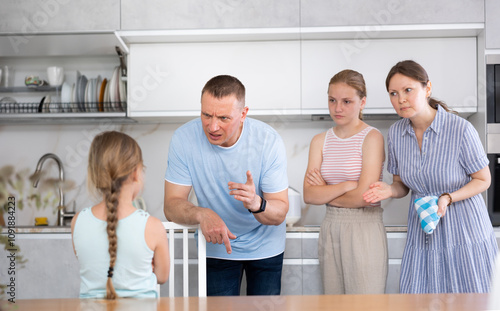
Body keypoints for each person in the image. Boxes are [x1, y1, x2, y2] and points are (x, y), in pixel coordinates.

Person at [363, 60, 498, 293]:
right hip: (424, 230)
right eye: (393, 94)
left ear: (427, 88)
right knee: (418, 298)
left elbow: (483, 180)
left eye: (408, 90)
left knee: (469, 298)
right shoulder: (396, 134)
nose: (400, 99)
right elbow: (401, 185)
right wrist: (389, 190)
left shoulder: (460, 129)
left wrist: (447, 197)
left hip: (464, 229)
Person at [164, 75, 289, 296]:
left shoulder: (268, 141)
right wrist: (201, 214)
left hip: (265, 246)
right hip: (217, 244)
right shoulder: (183, 139)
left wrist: (256, 203)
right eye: (206, 115)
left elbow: (279, 213)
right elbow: (171, 205)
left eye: (223, 117)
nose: (212, 126)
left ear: (243, 114)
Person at [303, 69, 388, 295]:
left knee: (366, 305)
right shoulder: (320, 141)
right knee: (334, 305)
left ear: (363, 102)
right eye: (332, 100)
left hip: (365, 228)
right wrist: (345, 186)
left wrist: (327, 191)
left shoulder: (372, 137)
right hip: (330, 227)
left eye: (346, 101)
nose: (337, 108)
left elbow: (364, 197)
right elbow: (309, 195)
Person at [71, 131, 169, 299]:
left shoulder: (77, 222)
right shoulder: (152, 226)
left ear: (95, 174)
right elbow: (162, 276)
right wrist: (145, 265)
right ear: (136, 173)